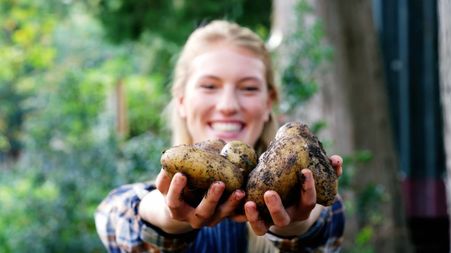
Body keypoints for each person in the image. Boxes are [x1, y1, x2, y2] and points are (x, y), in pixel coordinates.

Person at [95, 20, 345, 253]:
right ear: (181, 101)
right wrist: (166, 214)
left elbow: (327, 219)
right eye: (209, 86)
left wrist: (294, 225)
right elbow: (114, 215)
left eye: (248, 88)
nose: (228, 106)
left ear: (269, 103)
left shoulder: (309, 195)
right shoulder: (133, 202)